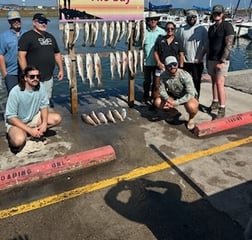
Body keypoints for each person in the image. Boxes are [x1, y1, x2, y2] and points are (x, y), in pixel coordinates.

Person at [5, 65, 62, 151]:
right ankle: (17, 134)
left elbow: (44, 106)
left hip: (33, 118)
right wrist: (29, 130)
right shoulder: (15, 92)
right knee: (18, 141)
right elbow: (11, 117)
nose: (35, 78)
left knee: (57, 118)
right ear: (25, 78)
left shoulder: (41, 87)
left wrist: (44, 123)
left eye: (38, 76)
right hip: (17, 123)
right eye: (32, 76)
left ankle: (34, 131)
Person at [18, 13, 64, 107]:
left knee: (46, 99)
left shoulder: (50, 37)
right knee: (31, 100)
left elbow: (57, 54)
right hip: (33, 78)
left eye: (45, 22)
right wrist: (26, 73)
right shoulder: (27, 36)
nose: (44, 24)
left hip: (48, 76)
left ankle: (45, 115)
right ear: (34, 23)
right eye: (41, 22)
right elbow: (21, 56)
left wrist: (61, 69)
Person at [154, 56, 198, 130]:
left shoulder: (185, 75)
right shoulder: (163, 75)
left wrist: (176, 102)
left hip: (187, 96)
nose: (172, 67)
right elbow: (161, 90)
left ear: (177, 64)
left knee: (192, 107)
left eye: (174, 64)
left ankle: (191, 118)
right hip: (174, 95)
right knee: (157, 102)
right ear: (166, 66)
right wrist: (167, 98)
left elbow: (191, 93)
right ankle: (174, 112)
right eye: (169, 65)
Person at [207, 5, 235, 119]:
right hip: (211, 59)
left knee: (219, 83)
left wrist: (223, 61)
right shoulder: (211, 28)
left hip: (221, 60)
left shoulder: (227, 26)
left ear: (222, 14)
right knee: (213, 82)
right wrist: (207, 59)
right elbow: (209, 45)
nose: (216, 15)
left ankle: (222, 108)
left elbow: (229, 44)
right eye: (215, 13)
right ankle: (215, 101)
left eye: (218, 13)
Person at [176, 9, 208, 98]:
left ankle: (196, 99)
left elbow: (207, 45)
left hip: (197, 62)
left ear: (196, 18)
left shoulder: (202, 29)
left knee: (196, 81)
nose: (192, 18)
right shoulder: (181, 29)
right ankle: (185, 98)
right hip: (184, 62)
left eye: (194, 17)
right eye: (190, 17)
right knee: (184, 82)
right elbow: (176, 43)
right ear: (187, 18)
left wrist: (201, 57)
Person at [153, 22, 185, 102]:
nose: (169, 30)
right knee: (157, 86)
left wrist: (180, 67)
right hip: (161, 66)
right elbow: (155, 52)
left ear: (174, 30)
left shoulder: (178, 40)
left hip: (173, 67)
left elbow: (181, 54)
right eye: (167, 29)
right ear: (165, 30)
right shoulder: (160, 39)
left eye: (172, 29)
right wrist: (158, 62)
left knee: (172, 86)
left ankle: (171, 102)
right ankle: (155, 102)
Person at [0, 10, 27, 93]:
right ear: (9, 21)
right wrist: (4, 72)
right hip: (11, 73)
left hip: (25, 71)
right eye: (13, 20)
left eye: (18, 19)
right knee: (13, 96)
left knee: (26, 96)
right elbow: (1, 55)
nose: (16, 22)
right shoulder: (3, 36)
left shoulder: (27, 33)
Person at [142, 11, 166, 104]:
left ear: (158, 21)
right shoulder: (143, 31)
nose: (153, 21)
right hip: (146, 61)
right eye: (151, 19)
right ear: (148, 21)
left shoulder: (162, 32)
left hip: (158, 62)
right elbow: (137, 43)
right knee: (147, 81)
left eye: (155, 19)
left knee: (156, 82)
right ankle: (145, 96)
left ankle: (154, 97)